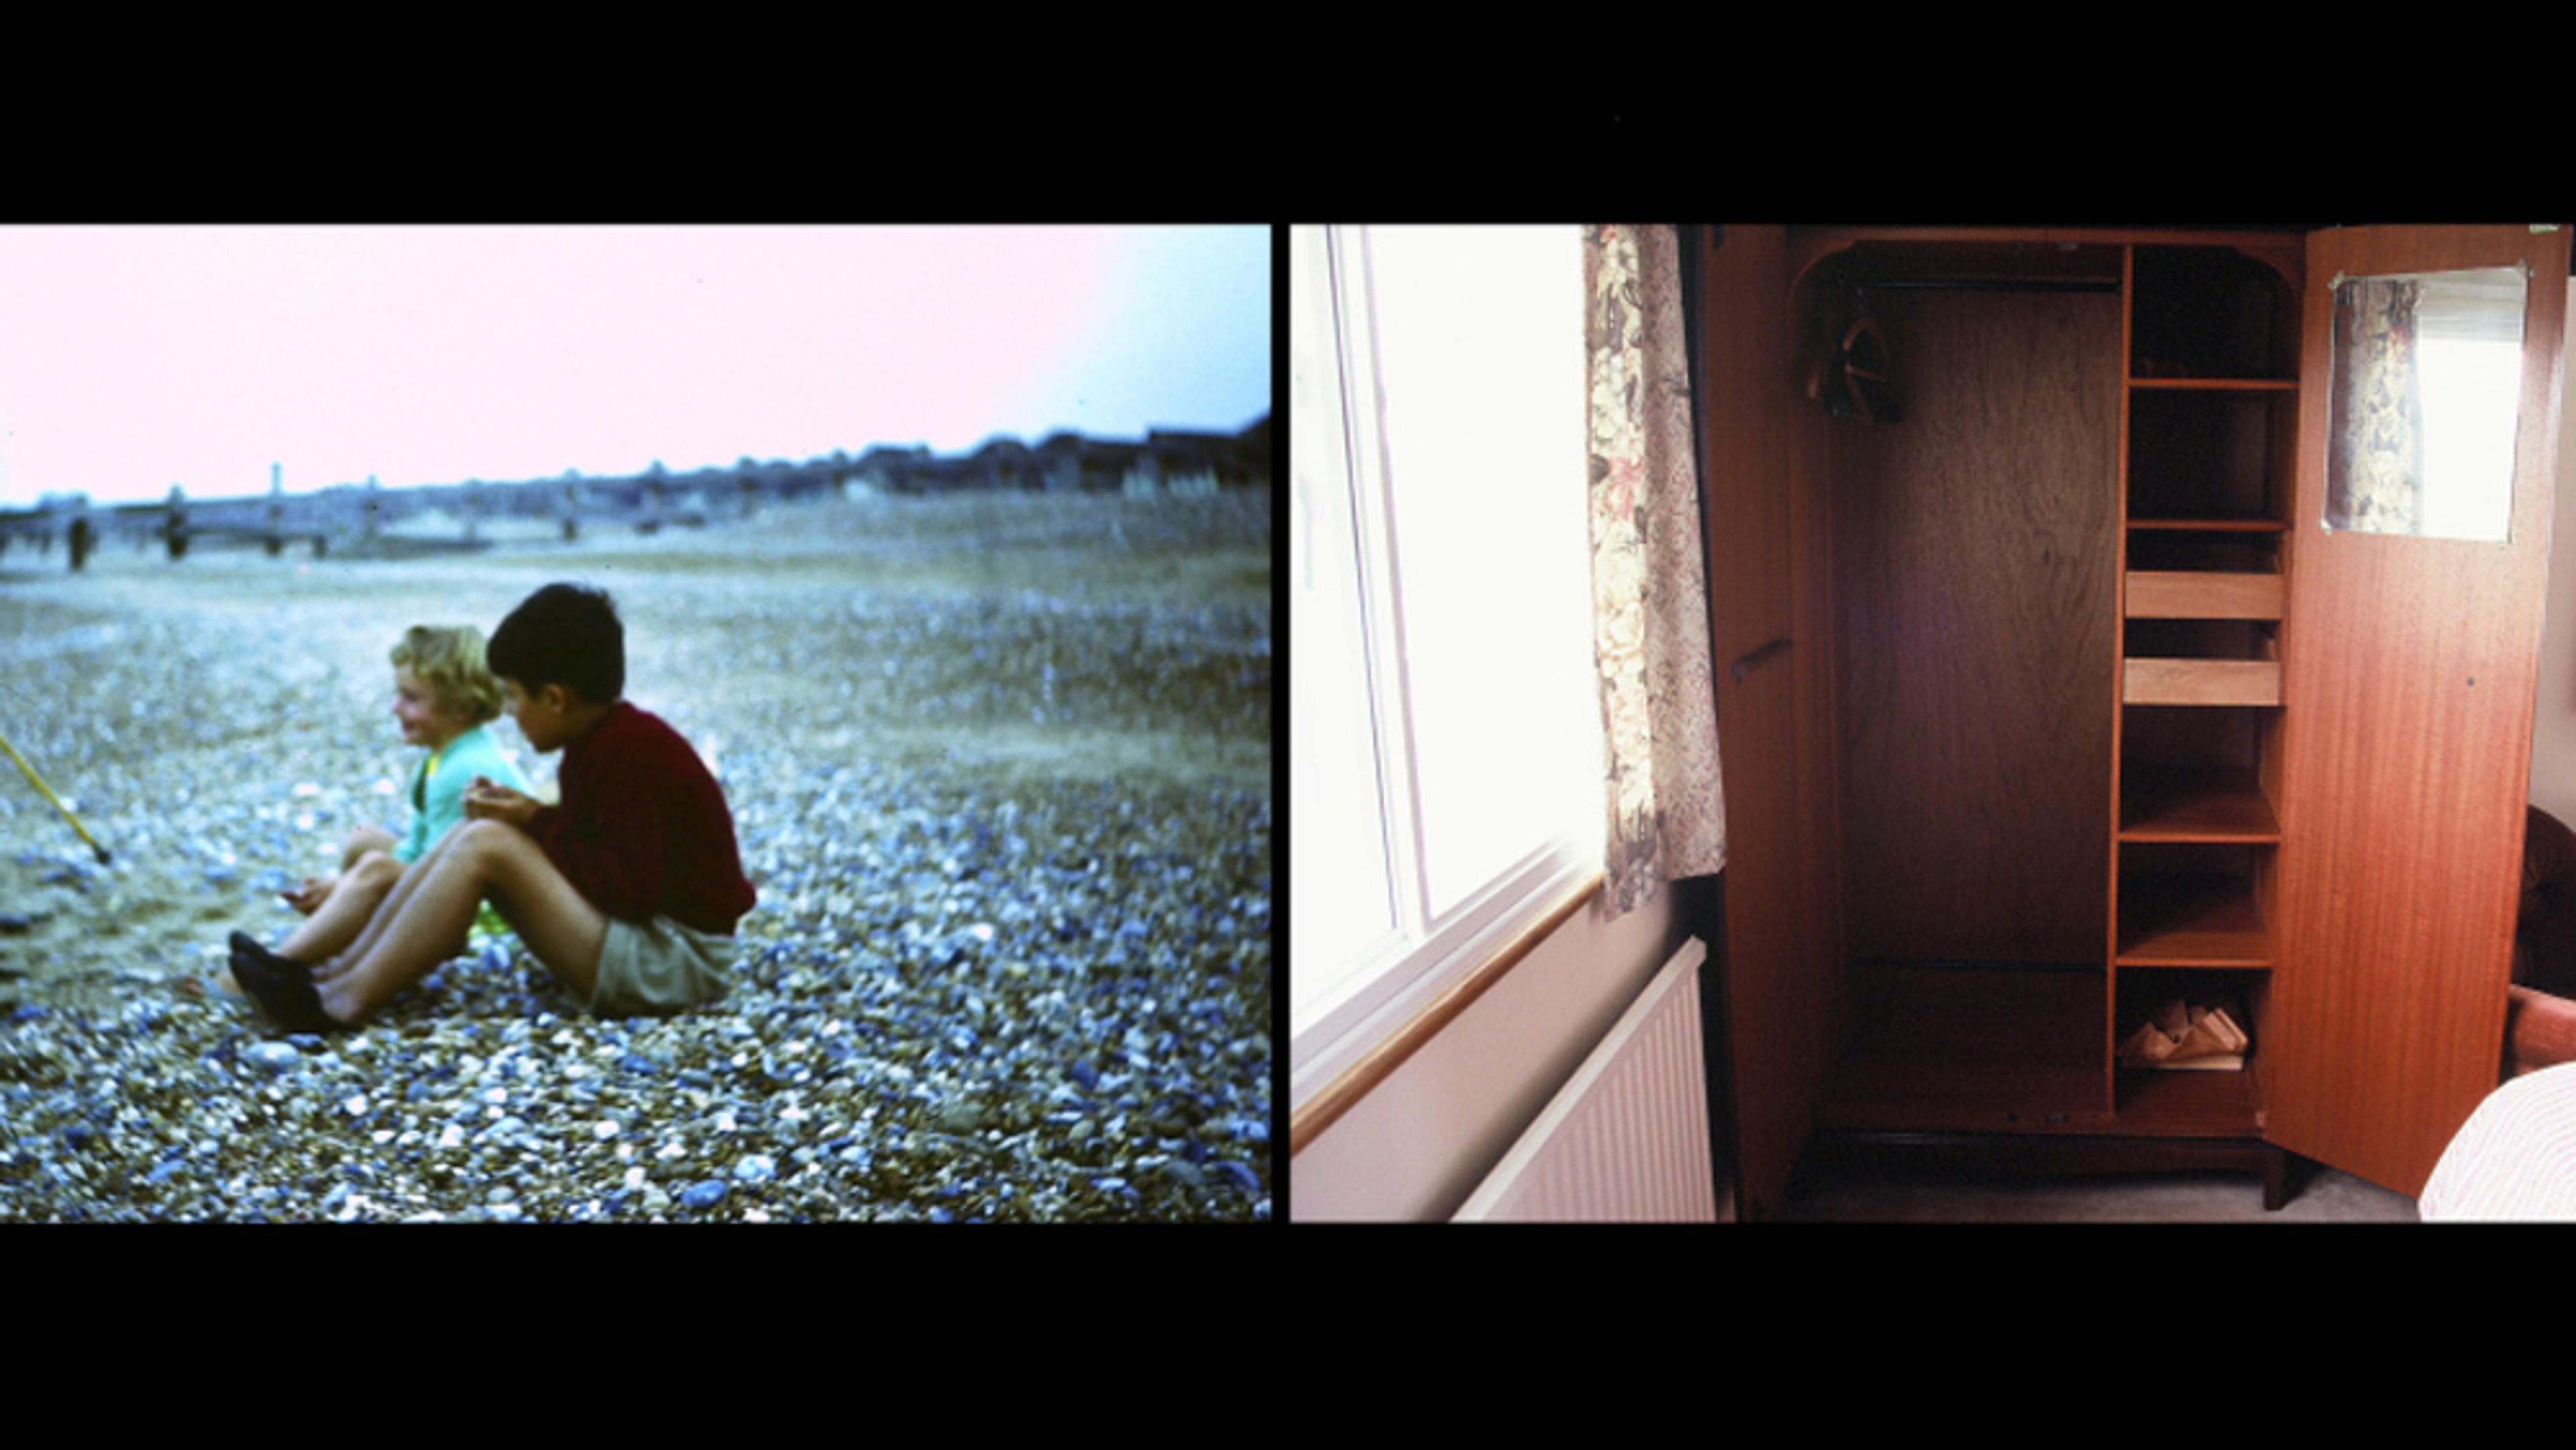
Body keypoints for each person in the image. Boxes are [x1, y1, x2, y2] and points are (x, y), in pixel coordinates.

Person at [230, 583, 755, 1029]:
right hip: (652, 947)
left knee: (486, 842)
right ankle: (330, 978)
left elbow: (625, 890)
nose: (509, 713)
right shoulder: (602, 743)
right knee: (477, 833)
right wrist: (530, 818)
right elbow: (602, 855)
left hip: (677, 964)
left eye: (513, 697)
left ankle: (341, 1002)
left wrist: (534, 822)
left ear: (556, 699)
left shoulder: (628, 752)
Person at [199, 625, 528, 999]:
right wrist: (346, 889)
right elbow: (419, 847)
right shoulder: (445, 754)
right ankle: (345, 940)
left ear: (461, 708)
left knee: (376, 869)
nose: (395, 708)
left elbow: (439, 872)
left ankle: (277, 966)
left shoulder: (463, 769)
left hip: (485, 921)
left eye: (411, 698)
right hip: (457, 884)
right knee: (365, 841)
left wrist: (344, 887)